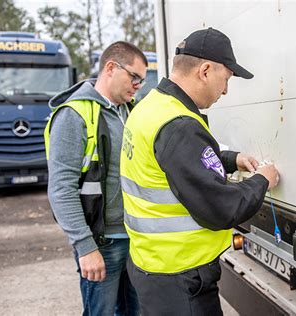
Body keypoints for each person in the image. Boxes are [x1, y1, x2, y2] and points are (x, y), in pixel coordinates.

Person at [119, 28, 280, 315]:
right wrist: (262, 181)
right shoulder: (179, 124)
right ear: (205, 71)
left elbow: (177, 163)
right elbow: (220, 208)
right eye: (227, 79)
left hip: (153, 267)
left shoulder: (151, 107)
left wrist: (232, 159)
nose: (226, 90)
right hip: (180, 279)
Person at [44, 41, 147, 316]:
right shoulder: (73, 115)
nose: (138, 85)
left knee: (134, 312)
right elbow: (61, 189)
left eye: (142, 80)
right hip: (102, 243)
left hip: (135, 238)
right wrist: (85, 246)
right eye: (134, 77)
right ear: (111, 68)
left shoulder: (130, 112)